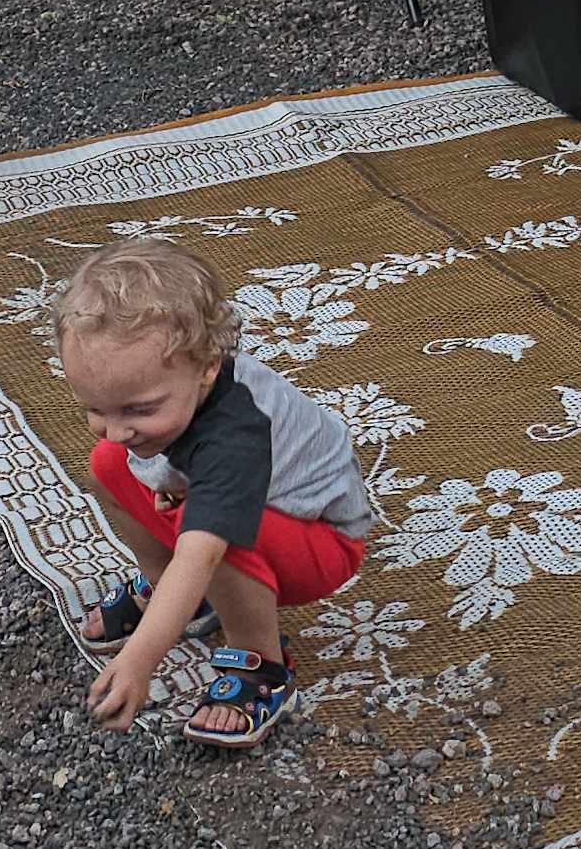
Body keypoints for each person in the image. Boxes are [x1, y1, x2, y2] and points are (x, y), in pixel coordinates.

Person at [56, 240, 372, 748]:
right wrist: (170, 477)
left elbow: (202, 549)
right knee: (108, 463)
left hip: (322, 541)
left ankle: (261, 666)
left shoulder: (234, 436)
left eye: (139, 410)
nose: (115, 429)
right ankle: (175, 592)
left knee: (208, 537)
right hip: (258, 503)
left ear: (207, 367)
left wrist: (139, 660)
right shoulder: (180, 384)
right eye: (96, 409)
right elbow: (161, 455)